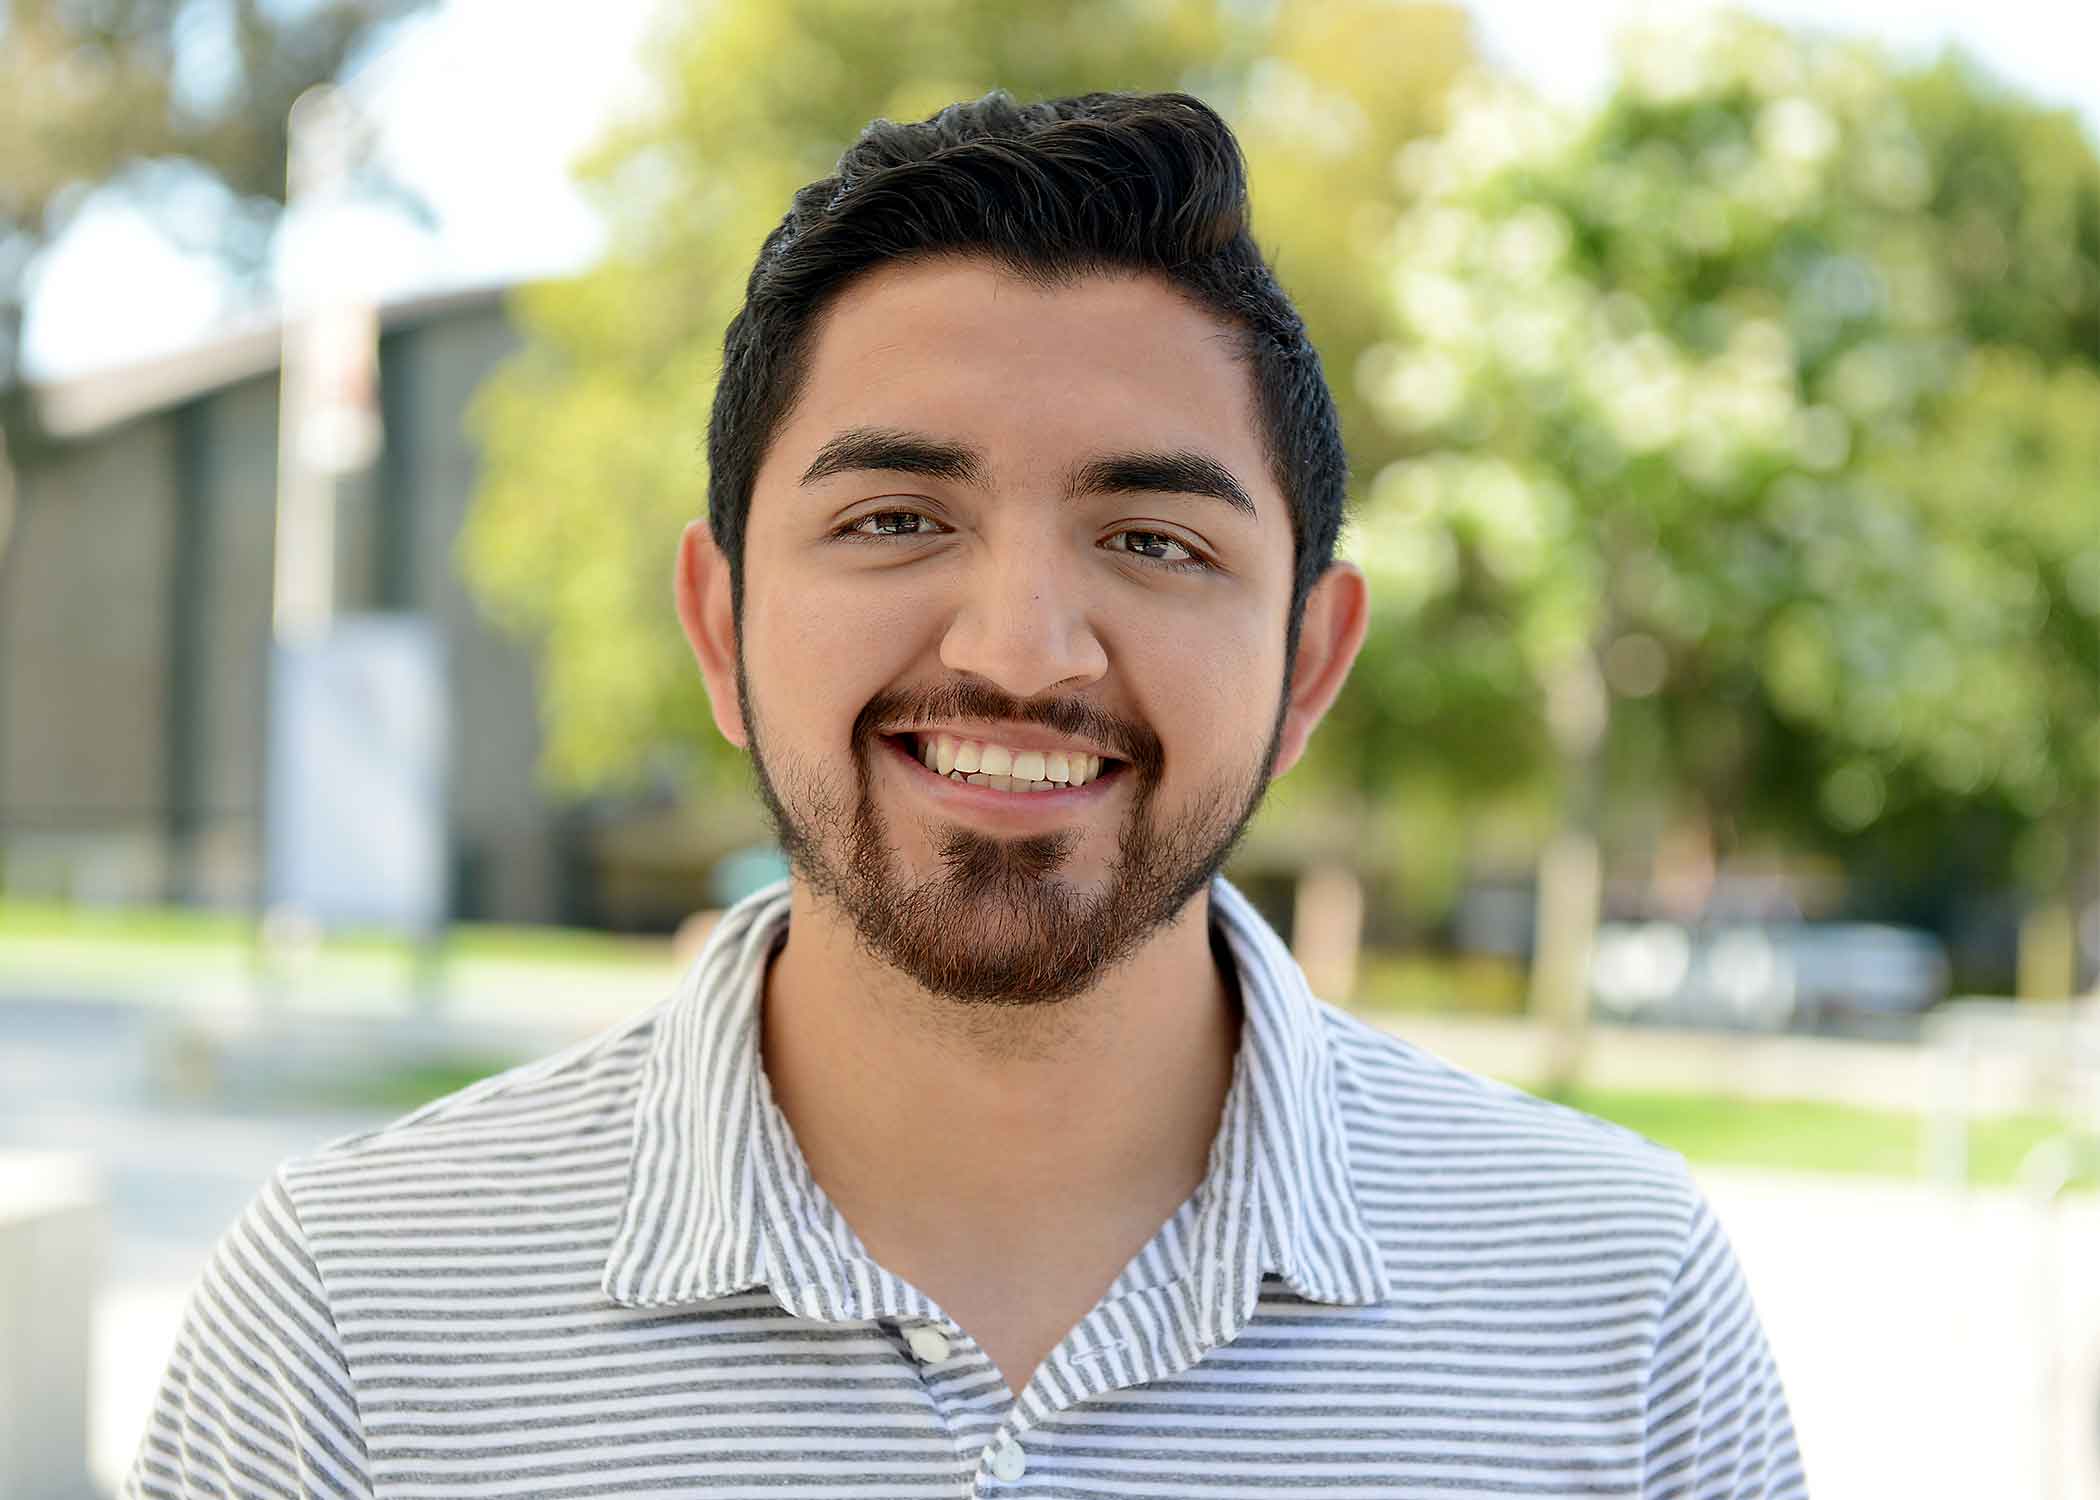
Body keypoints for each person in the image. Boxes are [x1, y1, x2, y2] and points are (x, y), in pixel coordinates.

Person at [123, 90, 1806, 1499]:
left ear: (1309, 666)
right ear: (720, 624)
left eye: (1153, 540)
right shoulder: (351, 1311)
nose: (1020, 651)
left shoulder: (1617, 1303)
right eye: (895, 519)